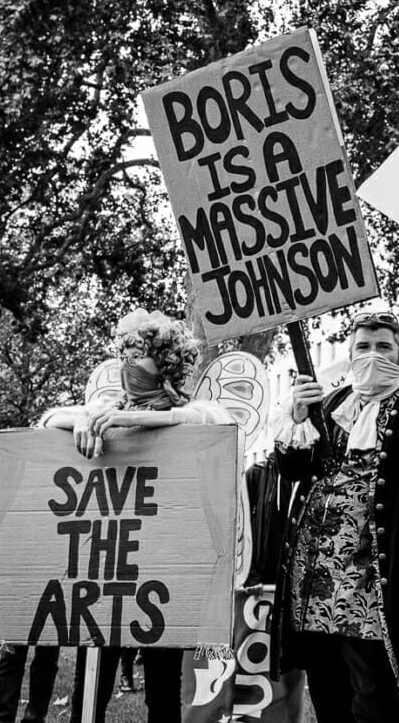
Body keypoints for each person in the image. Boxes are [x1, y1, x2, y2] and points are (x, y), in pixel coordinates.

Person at [270, 311, 399, 723]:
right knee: (329, 698)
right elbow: (292, 470)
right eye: (363, 347)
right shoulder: (328, 406)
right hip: (315, 586)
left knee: (382, 703)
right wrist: (296, 417)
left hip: (377, 587)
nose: (372, 354)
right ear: (349, 354)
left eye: (384, 346)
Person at [42, 308, 234, 723]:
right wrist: (83, 421)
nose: (129, 362)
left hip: (165, 574)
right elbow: (45, 420)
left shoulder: (195, 413)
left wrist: (146, 418)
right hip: (109, 568)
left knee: (163, 688)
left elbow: (217, 421)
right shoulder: (105, 405)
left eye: (140, 353)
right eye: (125, 351)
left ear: (165, 363)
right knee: (91, 684)